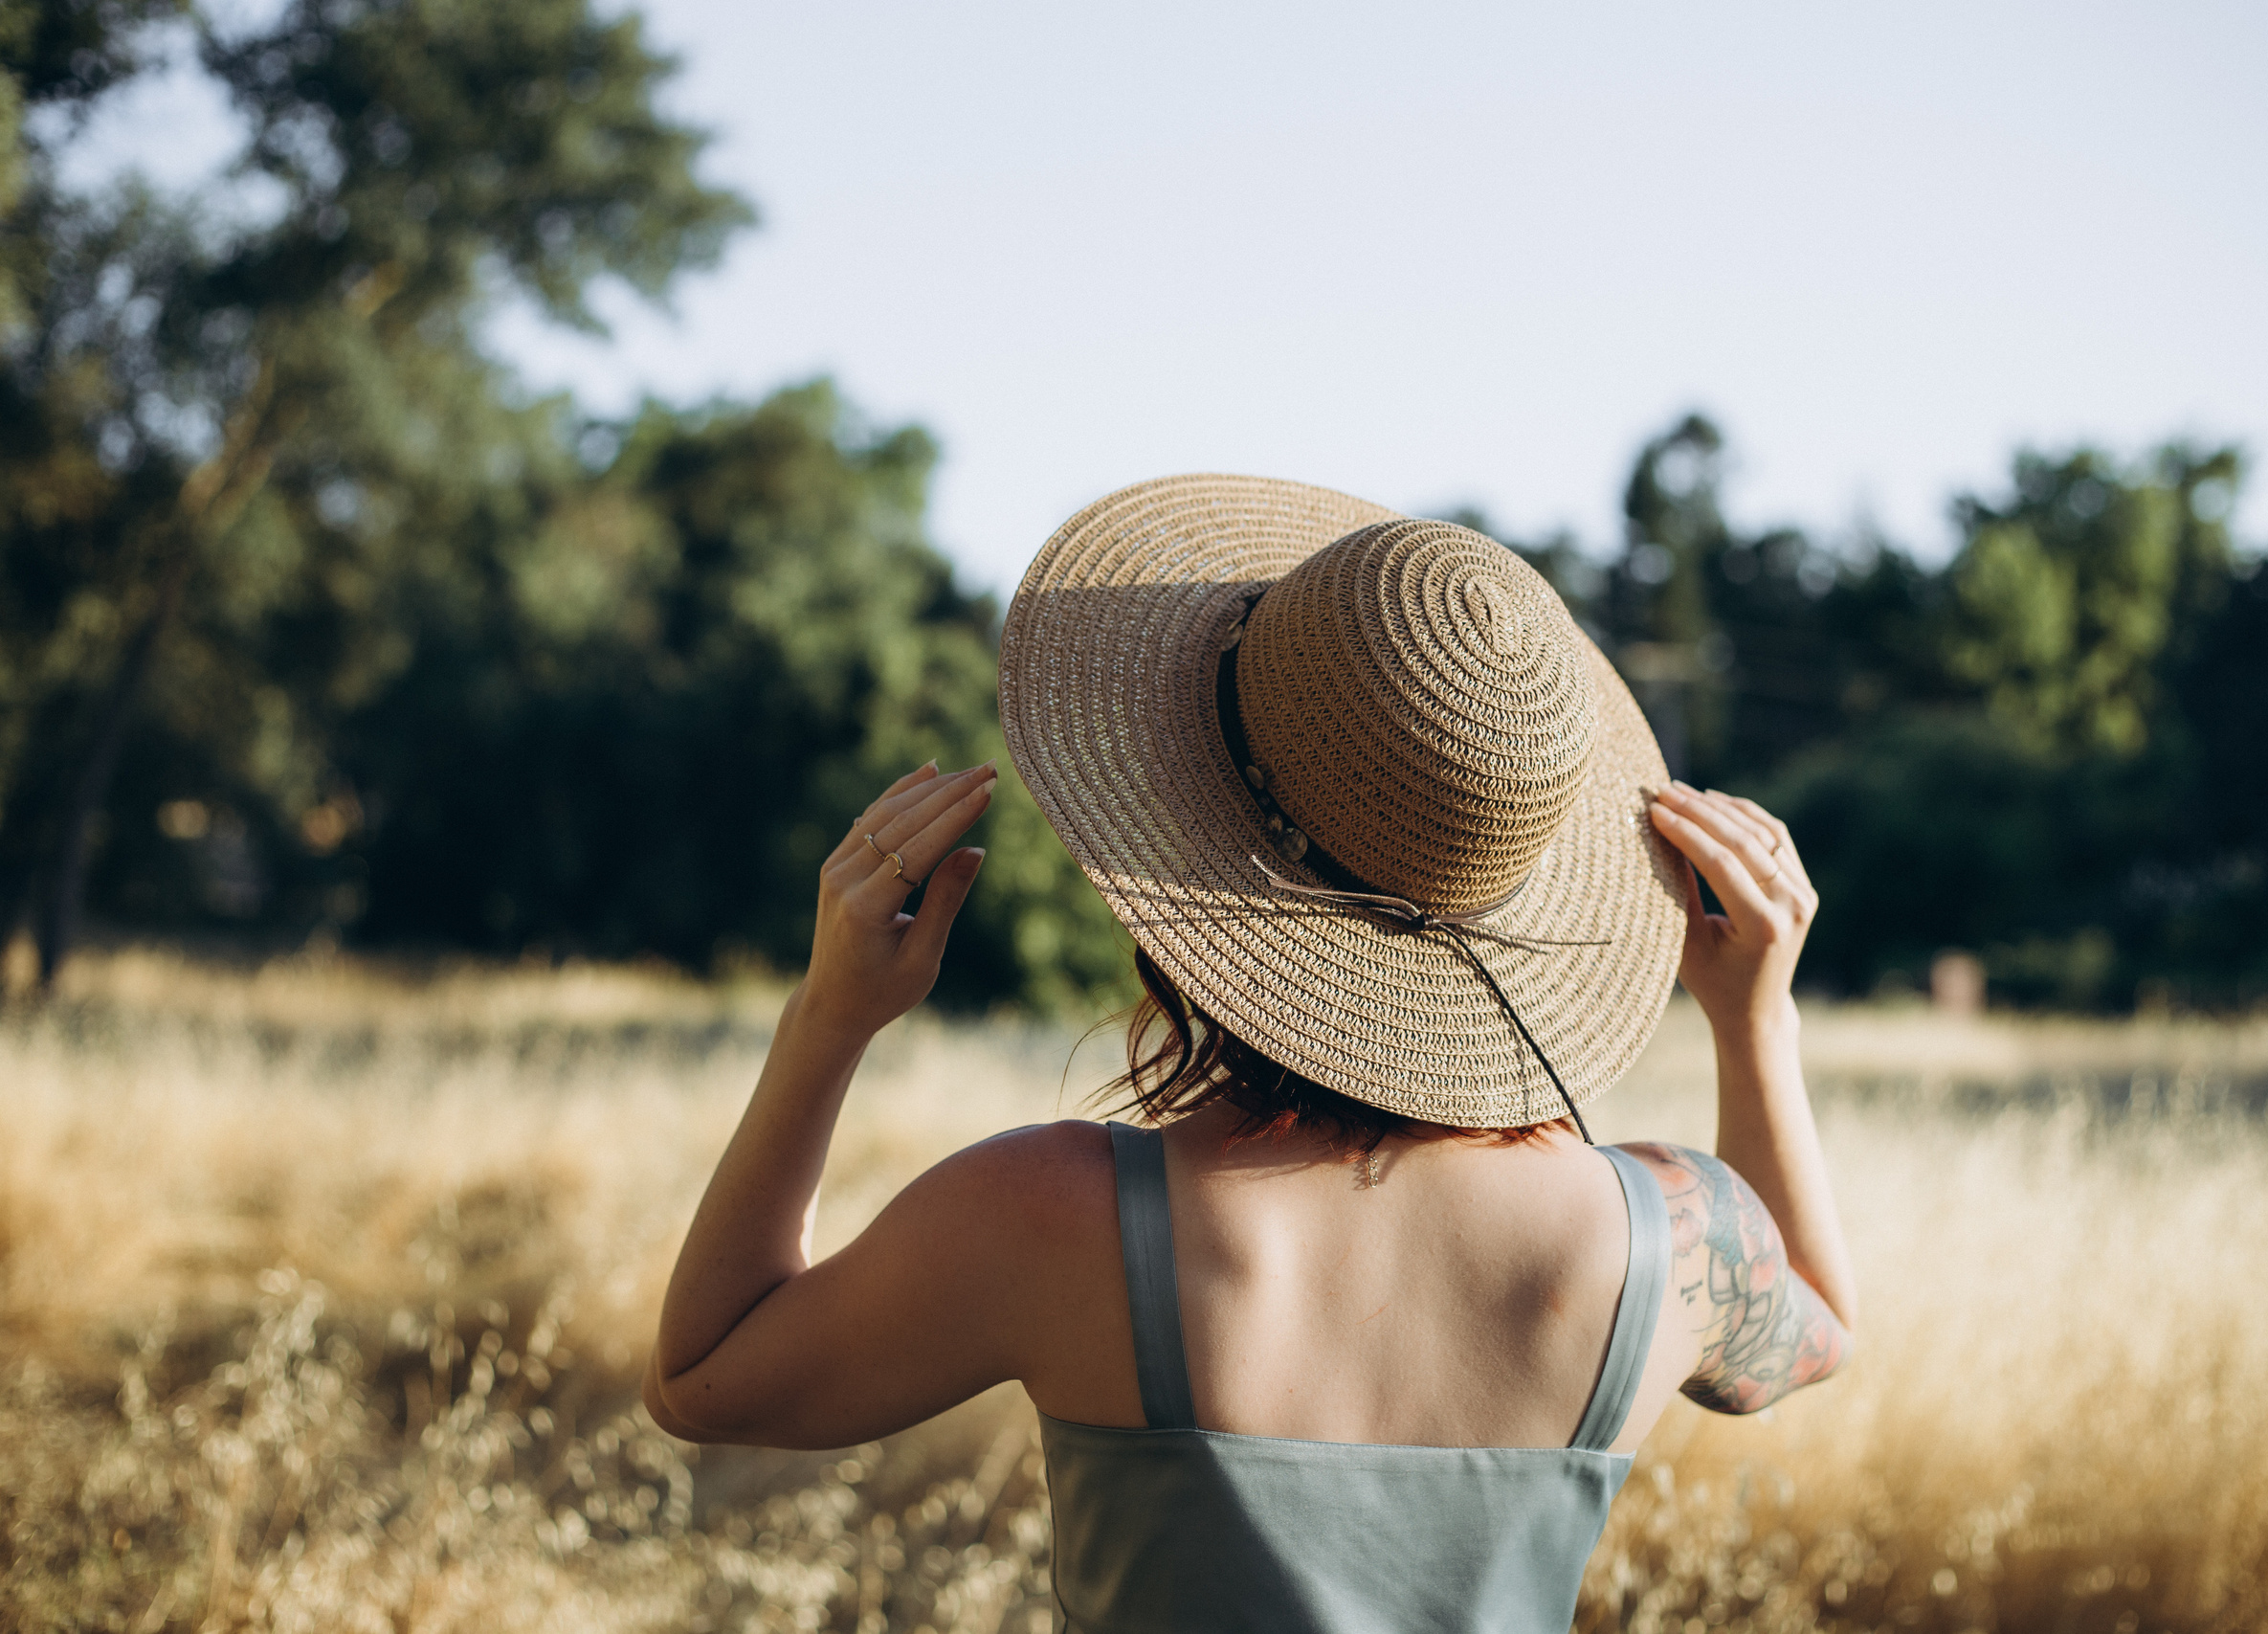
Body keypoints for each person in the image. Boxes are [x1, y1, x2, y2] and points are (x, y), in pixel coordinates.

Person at [646, 477, 1857, 1633]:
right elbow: (1816, 1328)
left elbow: (704, 1382)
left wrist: (829, 1018)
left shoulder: (1052, 1213)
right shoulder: (1677, 1237)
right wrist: (1756, 1022)